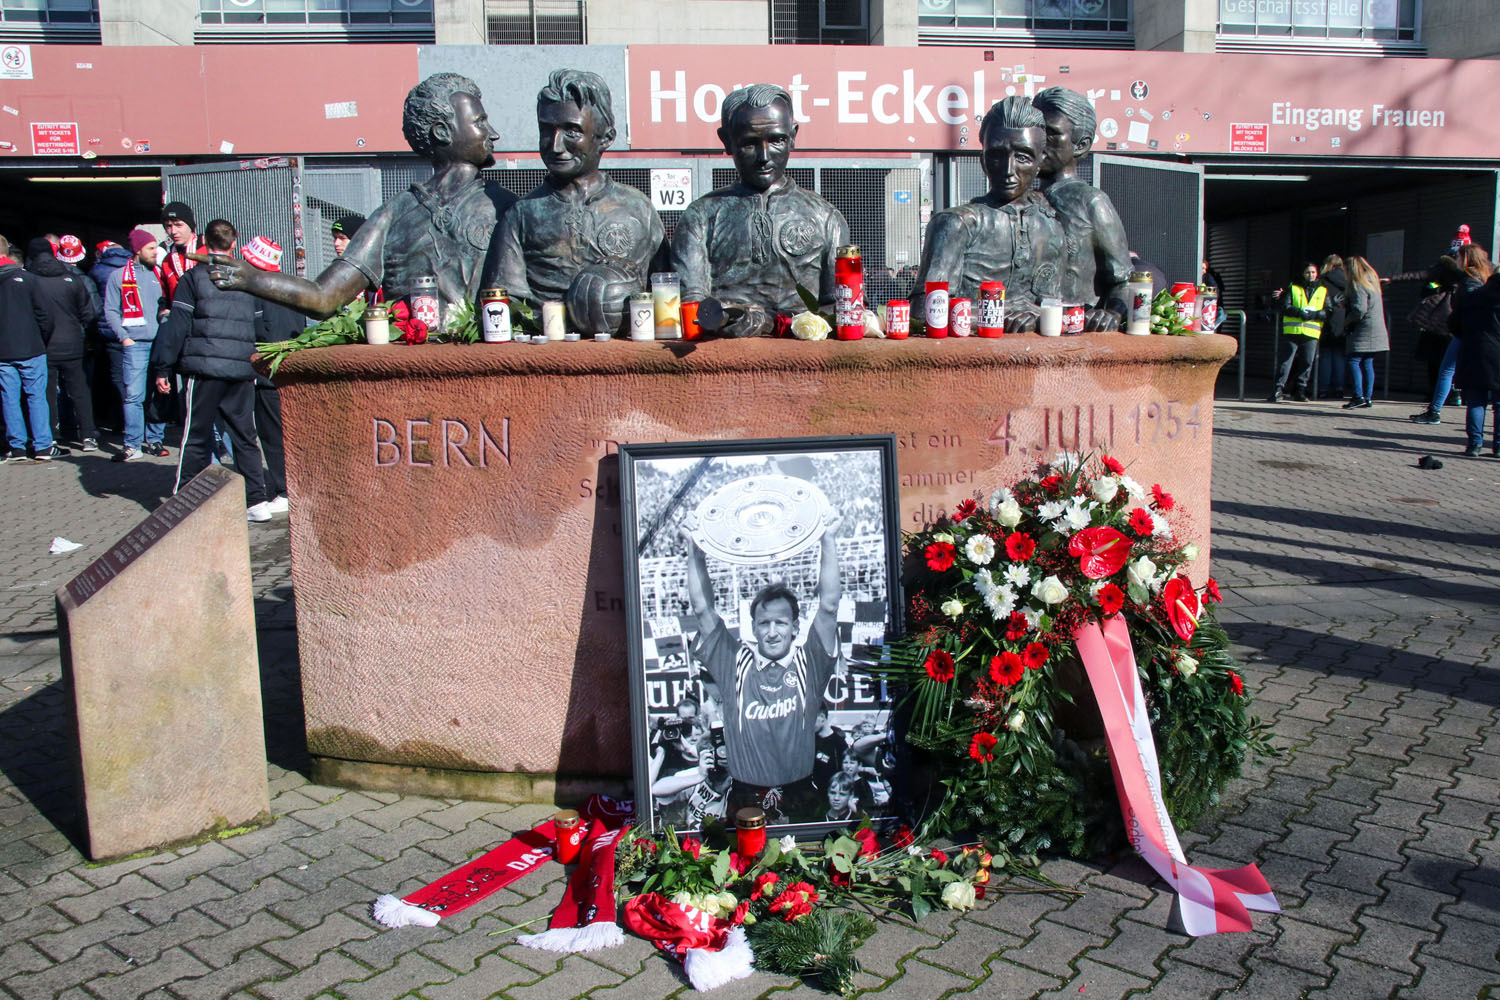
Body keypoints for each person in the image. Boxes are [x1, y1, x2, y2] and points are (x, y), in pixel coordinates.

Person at [209, 73, 515, 319]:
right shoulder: (394, 214)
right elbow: (325, 296)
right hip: (415, 373)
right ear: (442, 132)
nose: (493, 132)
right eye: (479, 122)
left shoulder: (509, 210)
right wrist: (252, 279)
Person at [680, 510, 844, 816]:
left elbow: (829, 606)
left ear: (795, 626)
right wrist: (695, 549)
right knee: (744, 865)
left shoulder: (810, 661)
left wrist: (828, 540)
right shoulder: (734, 663)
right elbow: (703, 610)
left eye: (780, 623)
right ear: (753, 627)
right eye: (763, 623)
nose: (771, 632)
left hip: (802, 795)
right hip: (744, 795)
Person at [483, 68, 663, 322]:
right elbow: (506, 303)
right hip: (549, 354)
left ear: (606, 137)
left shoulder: (638, 208)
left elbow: (666, 292)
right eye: (546, 130)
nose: (555, 145)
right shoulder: (522, 214)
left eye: (572, 131)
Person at [671, 83, 850, 320]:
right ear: (726, 141)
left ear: (793, 136)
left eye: (776, 140)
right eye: (749, 143)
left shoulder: (827, 218)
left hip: (802, 354)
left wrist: (778, 324)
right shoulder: (700, 217)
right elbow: (692, 306)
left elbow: (845, 308)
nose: (764, 157)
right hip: (722, 353)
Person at [147, 219, 271, 522]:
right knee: (245, 436)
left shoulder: (194, 277)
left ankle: (185, 501)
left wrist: (163, 366)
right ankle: (257, 501)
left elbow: (178, 325)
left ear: (204, 241)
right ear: (234, 243)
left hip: (204, 369)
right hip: (241, 369)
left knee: (195, 435)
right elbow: (260, 327)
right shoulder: (247, 279)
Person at [910, 96, 1062, 331]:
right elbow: (923, 312)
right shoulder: (956, 223)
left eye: (1022, 157)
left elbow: (1060, 304)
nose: (1008, 170)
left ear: (1041, 161)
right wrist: (1001, 317)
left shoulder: (1052, 226)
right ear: (982, 158)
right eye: (996, 155)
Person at [1033, 86, 1131, 329]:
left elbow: (1123, 280)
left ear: (1081, 144)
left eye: (1052, 134)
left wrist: (1112, 314)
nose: (1040, 142)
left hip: (1075, 331)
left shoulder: (1092, 202)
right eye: (1037, 132)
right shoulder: (1020, 199)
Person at [243, 236, 301, 515]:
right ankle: (292, 486)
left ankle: (284, 489)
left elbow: (261, 332)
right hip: (289, 371)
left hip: (268, 376)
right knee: (287, 432)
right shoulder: (289, 289)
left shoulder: (259, 292)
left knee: (272, 435)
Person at [24, 237, 98, 451]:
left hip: (44, 344)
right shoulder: (71, 278)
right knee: (80, 390)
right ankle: (88, 436)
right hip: (73, 343)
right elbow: (88, 311)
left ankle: (51, 435)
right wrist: (81, 330)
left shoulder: (30, 280)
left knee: (47, 393)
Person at [103, 229, 169, 462]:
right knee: (134, 395)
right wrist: (123, 337)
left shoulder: (158, 275)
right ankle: (132, 444)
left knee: (160, 393)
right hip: (135, 344)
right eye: (151, 248)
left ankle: (155, 439)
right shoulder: (118, 277)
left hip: (160, 343)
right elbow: (110, 309)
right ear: (138, 250)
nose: (155, 252)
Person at [1409, 246, 1491, 425]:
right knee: (1454, 372)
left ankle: (1435, 411)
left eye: (1459, 257)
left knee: (1447, 371)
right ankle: (1437, 408)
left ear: (1466, 259)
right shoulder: (1482, 276)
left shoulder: (1470, 281)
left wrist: (1458, 323)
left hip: (1466, 333)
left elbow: (1469, 308)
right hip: (1472, 333)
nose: (1457, 260)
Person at [0, 235, 60, 461]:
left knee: (9, 398)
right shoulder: (28, 279)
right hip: (31, 347)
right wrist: (40, 338)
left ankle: (17, 447)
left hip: (3, 351)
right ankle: (43, 446)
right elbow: (46, 316)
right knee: (36, 396)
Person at [1448, 251, 1500, 458]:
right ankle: (1498, 446)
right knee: (1499, 403)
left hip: (1474, 350)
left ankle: (1474, 445)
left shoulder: (1473, 295)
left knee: (1476, 400)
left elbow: (1454, 323)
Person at [1268, 262, 1327, 403]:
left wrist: (1315, 315)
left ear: (1317, 274)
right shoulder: (1293, 287)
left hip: (1311, 331)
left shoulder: (1322, 290)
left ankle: (1300, 390)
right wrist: (1299, 312)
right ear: (1303, 274)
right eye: (1308, 272)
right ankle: (1278, 389)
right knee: (1286, 361)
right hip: (1293, 330)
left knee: (1307, 362)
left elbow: (1327, 310)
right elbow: (1285, 306)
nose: (1310, 275)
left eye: (1313, 272)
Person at [1341, 256, 1388, 410]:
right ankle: (1367, 398)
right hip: (1377, 327)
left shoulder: (1357, 284)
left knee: (1353, 361)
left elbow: (1359, 309)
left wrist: (1347, 321)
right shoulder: (1373, 282)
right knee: (1368, 363)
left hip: (1363, 328)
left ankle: (1358, 396)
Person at [1317, 255, 1349, 399]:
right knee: (1339, 356)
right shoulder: (1348, 280)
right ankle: (1339, 387)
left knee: (1325, 356)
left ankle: (1323, 387)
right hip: (1343, 320)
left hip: (1327, 319)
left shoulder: (1323, 281)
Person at [158, 201, 200, 304]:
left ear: (190, 226)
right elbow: (165, 296)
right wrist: (163, 311)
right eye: (168, 226)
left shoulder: (207, 251)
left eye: (178, 225)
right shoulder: (167, 262)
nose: (173, 231)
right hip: (180, 316)